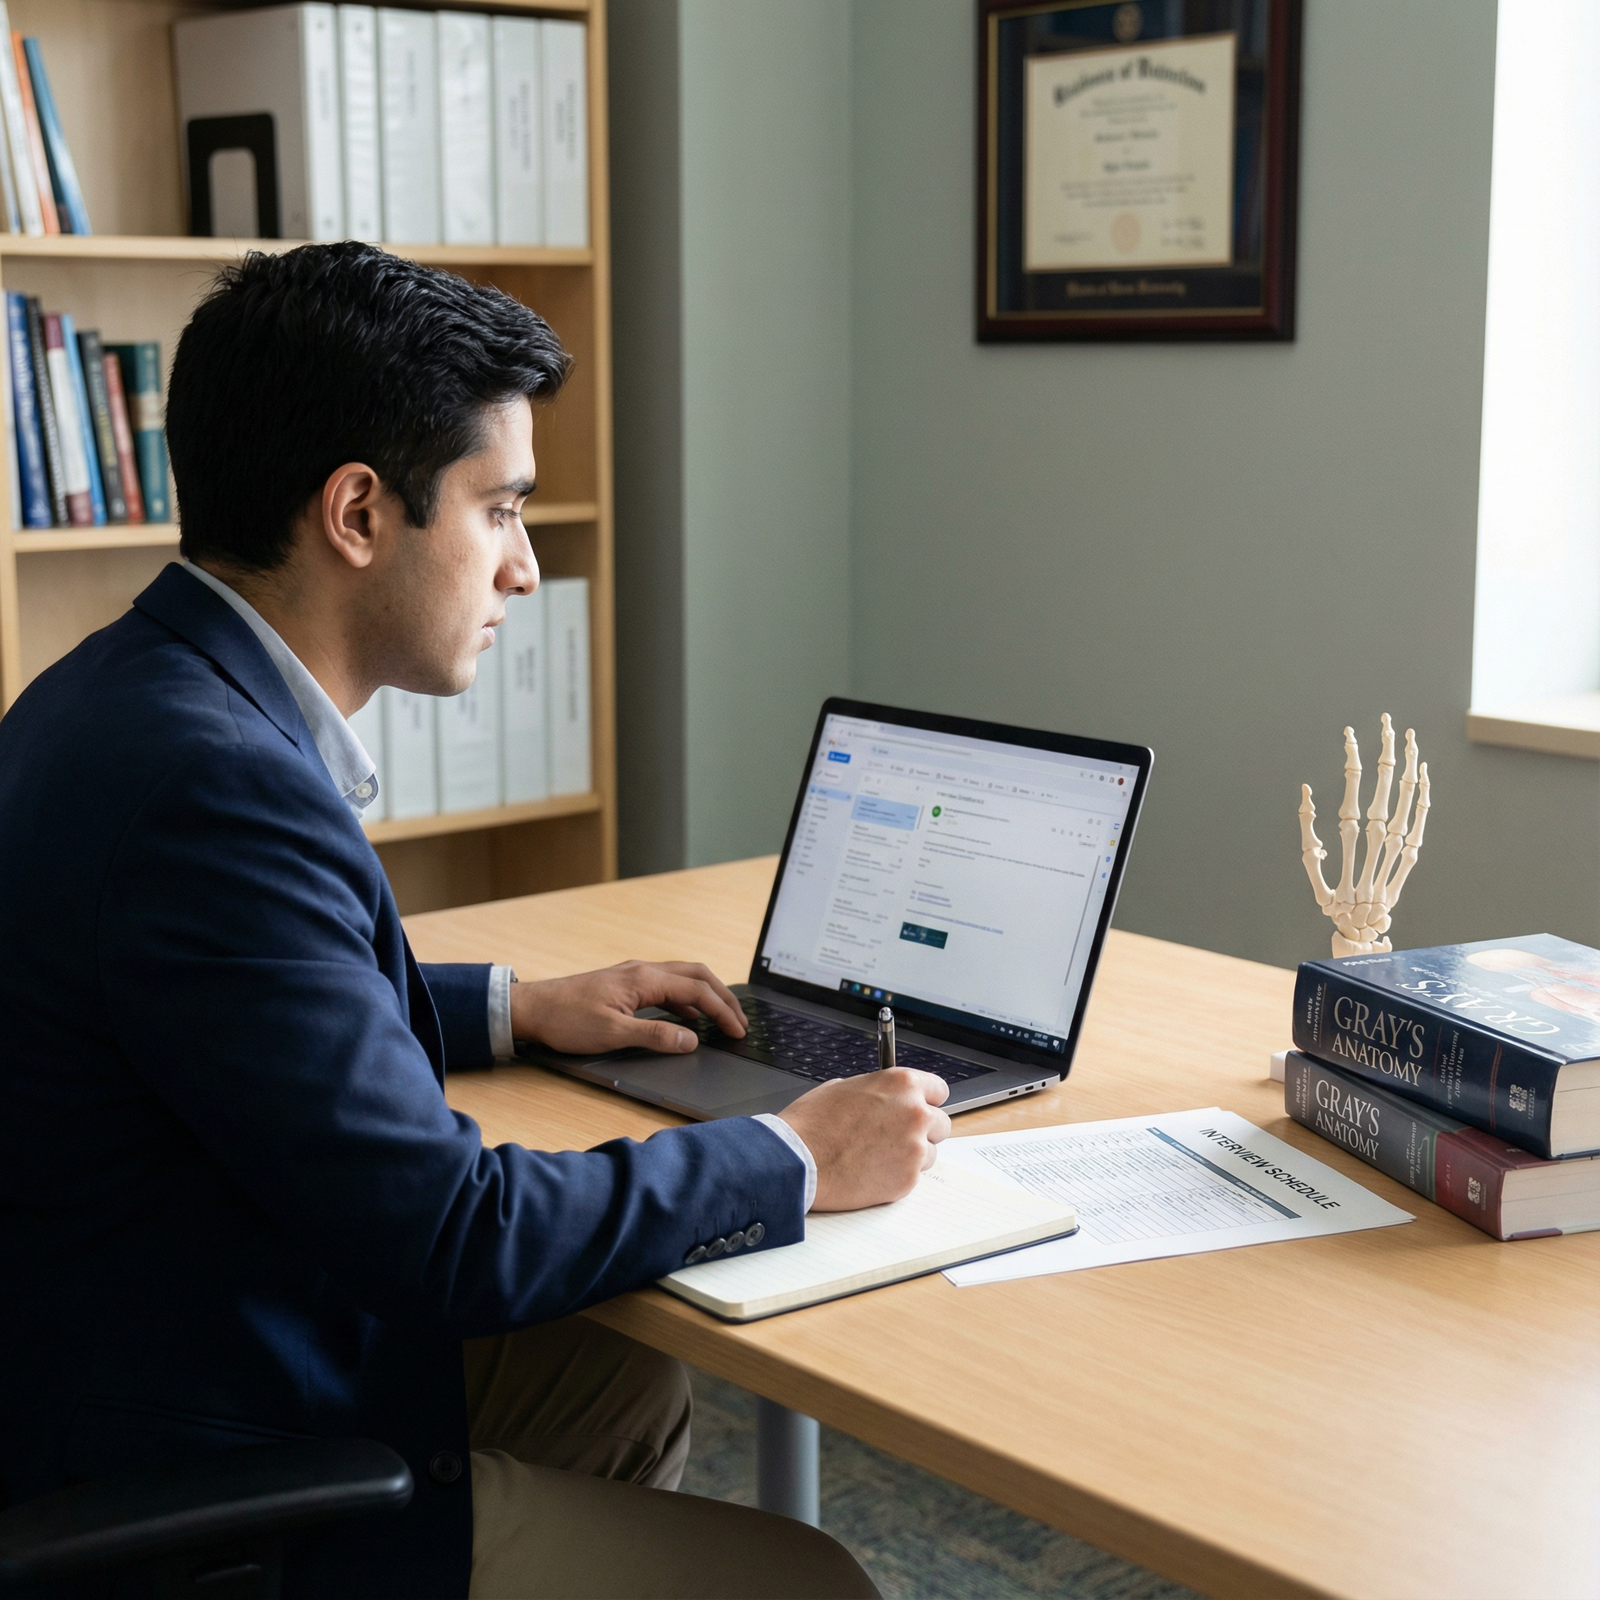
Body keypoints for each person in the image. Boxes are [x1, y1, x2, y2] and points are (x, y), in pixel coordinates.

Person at [0, 243, 951, 1599]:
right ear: (357, 513)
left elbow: (239, 998)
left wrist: (515, 1006)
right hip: (180, 1447)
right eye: (499, 509)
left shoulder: (126, 689)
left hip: (142, 1316)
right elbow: (452, 1236)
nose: (520, 570)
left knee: (617, 1375)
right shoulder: (215, 787)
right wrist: (790, 1156)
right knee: (816, 1584)